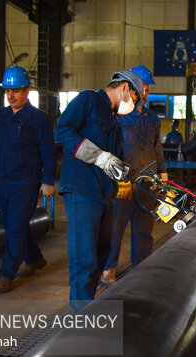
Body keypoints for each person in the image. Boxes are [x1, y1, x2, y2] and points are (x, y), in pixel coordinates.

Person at [54, 69, 143, 310]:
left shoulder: (114, 120)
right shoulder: (88, 100)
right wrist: (97, 156)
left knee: (101, 254)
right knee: (84, 257)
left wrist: (123, 168)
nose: (133, 104)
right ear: (124, 87)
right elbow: (62, 130)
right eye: (134, 98)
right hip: (82, 190)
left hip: (105, 194)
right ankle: (79, 317)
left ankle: (86, 307)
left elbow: (114, 156)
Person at [0, 65, 57, 294]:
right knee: (11, 225)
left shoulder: (38, 119)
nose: (11, 95)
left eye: (16, 90)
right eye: (8, 90)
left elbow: (48, 151)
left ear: (27, 90)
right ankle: (35, 258)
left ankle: (6, 274)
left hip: (26, 181)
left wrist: (48, 180)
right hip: (2, 181)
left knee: (15, 228)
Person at [101, 65, 168, 285]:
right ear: (130, 89)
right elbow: (111, 149)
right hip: (123, 184)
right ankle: (108, 270)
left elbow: (157, 147)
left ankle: (141, 270)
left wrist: (163, 175)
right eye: (142, 89)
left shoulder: (151, 118)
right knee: (115, 228)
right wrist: (117, 179)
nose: (145, 95)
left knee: (144, 231)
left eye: (148, 90)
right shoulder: (118, 117)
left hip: (147, 185)